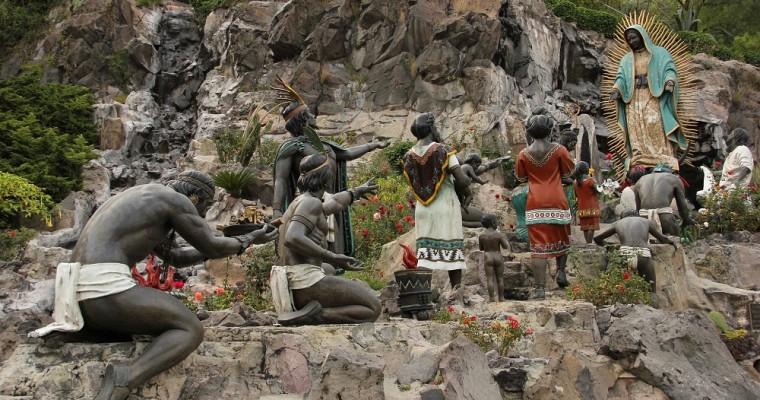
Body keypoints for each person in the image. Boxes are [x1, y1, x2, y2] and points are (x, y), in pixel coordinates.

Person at [29, 171, 279, 400]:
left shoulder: (142, 201)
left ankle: (84, 332)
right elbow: (211, 245)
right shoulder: (175, 201)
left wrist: (217, 248)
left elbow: (178, 258)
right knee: (189, 329)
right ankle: (125, 378)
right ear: (194, 196)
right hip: (104, 286)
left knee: (137, 331)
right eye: (204, 205)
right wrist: (248, 238)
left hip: (76, 293)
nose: (202, 214)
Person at [271, 153, 382, 325]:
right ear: (325, 176)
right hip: (304, 284)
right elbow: (292, 237)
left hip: (292, 281)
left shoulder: (301, 202)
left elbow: (334, 204)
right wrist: (332, 256)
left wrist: (354, 192)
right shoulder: (310, 204)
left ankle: (308, 308)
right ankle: (315, 314)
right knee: (373, 308)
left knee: (328, 269)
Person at [273, 102, 388, 257]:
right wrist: (277, 210)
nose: (314, 116)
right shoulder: (291, 146)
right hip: (307, 204)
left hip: (330, 201)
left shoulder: (323, 144)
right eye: (309, 113)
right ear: (303, 118)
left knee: (333, 246)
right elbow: (280, 179)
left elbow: (347, 154)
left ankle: (331, 274)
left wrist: (372, 145)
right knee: (314, 248)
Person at [403, 113, 471, 289]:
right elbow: (462, 180)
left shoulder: (408, 155)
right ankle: (457, 292)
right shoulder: (444, 150)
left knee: (425, 252)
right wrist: (469, 181)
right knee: (453, 251)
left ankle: (423, 292)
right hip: (445, 205)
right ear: (432, 128)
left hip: (423, 209)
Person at [610, 25, 688, 173]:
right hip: (633, 98)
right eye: (629, 39)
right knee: (635, 126)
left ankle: (661, 156)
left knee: (653, 122)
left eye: (634, 37)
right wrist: (616, 89)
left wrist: (669, 81)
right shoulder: (626, 59)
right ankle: (639, 157)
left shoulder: (659, 53)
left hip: (653, 95)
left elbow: (669, 68)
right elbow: (621, 77)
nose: (632, 41)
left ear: (642, 35)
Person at [515, 113, 575, 298]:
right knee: (562, 237)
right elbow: (569, 171)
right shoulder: (559, 150)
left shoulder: (524, 154)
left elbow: (521, 177)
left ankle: (540, 288)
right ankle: (561, 272)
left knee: (538, 247)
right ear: (550, 130)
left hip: (535, 201)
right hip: (557, 198)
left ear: (530, 132)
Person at [594, 209, 678, 308]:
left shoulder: (618, 223)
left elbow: (597, 238)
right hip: (643, 255)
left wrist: (607, 245)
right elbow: (662, 238)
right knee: (651, 291)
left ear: (622, 217)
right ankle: (655, 314)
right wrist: (672, 243)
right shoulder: (646, 222)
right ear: (638, 215)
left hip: (624, 253)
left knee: (615, 287)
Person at [632, 168, 695, 236]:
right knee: (675, 241)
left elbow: (638, 210)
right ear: (670, 172)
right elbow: (682, 207)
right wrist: (686, 219)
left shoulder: (640, 181)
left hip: (644, 218)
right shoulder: (674, 179)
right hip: (664, 217)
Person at [459, 152, 509, 228]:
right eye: (477, 165)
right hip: (451, 206)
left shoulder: (462, 166)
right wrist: (481, 181)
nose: (476, 167)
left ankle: (461, 221)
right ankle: (461, 222)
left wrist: (490, 165)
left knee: (485, 220)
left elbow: (474, 171)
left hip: (455, 203)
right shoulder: (454, 162)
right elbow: (474, 175)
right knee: (487, 221)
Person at [478, 214, 511, 302]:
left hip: (488, 257)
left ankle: (492, 298)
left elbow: (481, 248)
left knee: (490, 278)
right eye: (496, 222)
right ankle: (501, 297)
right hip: (498, 257)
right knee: (500, 278)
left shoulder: (481, 235)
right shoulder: (498, 234)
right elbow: (505, 246)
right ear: (493, 223)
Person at [573, 161, 601, 245]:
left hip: (581, 206)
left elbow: (576, 195)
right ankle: (589, 243)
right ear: (586, 169)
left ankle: (587, 242)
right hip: (591, 205)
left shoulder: (575, 182)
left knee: (585, 227)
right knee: (591, 227)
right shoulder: (590, 180)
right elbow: (598, 190)